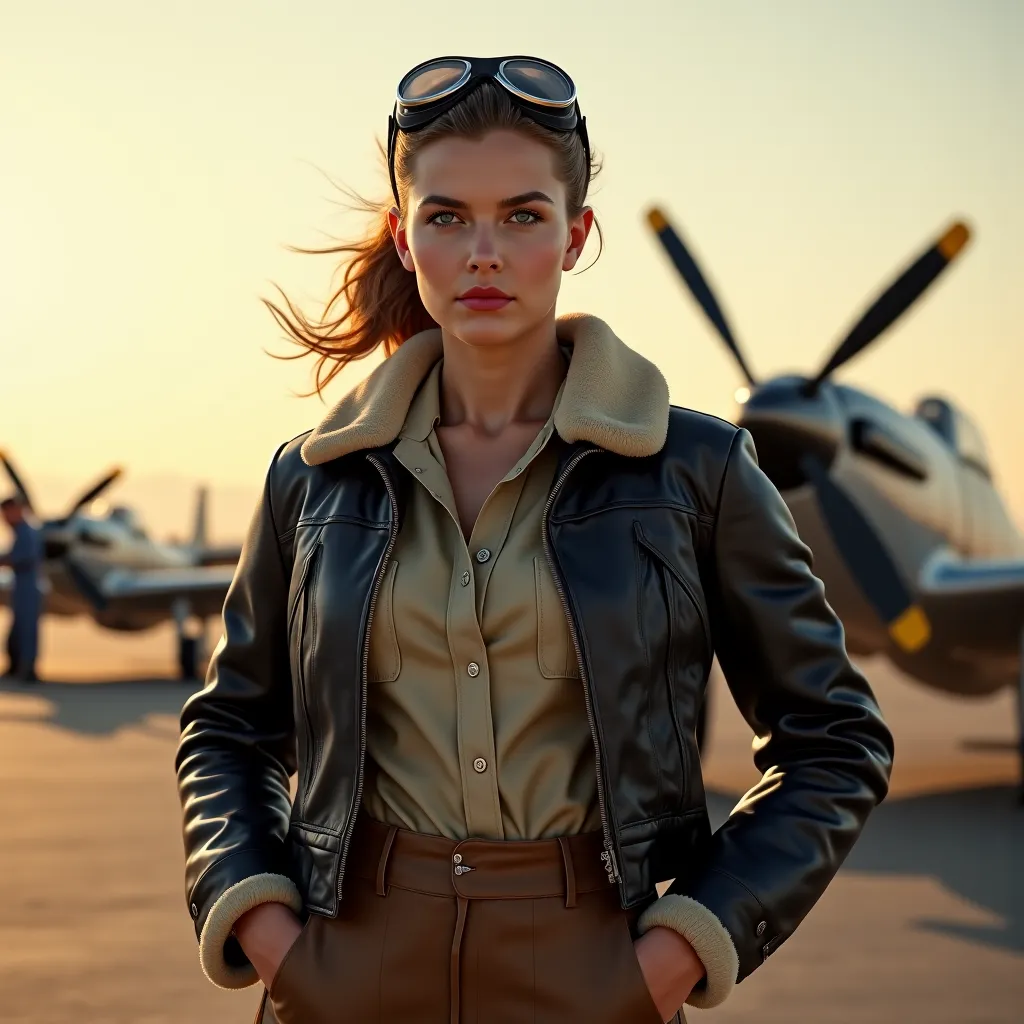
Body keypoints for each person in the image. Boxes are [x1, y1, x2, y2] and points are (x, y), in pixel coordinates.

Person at [176, 56, 894, 1024]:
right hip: (346, 959)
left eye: (522, 215)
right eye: (445, 217)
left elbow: (834, 739)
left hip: (597, 964)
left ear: (574, 235)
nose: (483, 252)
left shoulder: (697, 471)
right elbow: (229, 727)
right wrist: (269, 930)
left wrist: (683, 946)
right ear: (403, 236)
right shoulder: (310, 477)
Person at [0, 495, 44, 683]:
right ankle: (16, 667)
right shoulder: (20, 532)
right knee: (18, 629)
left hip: (28, 588)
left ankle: (28, 670)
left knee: (27, 629)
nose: (4, 518)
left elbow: (21, 558)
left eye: (6, 513)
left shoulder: (26, 533)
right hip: (20, 586)